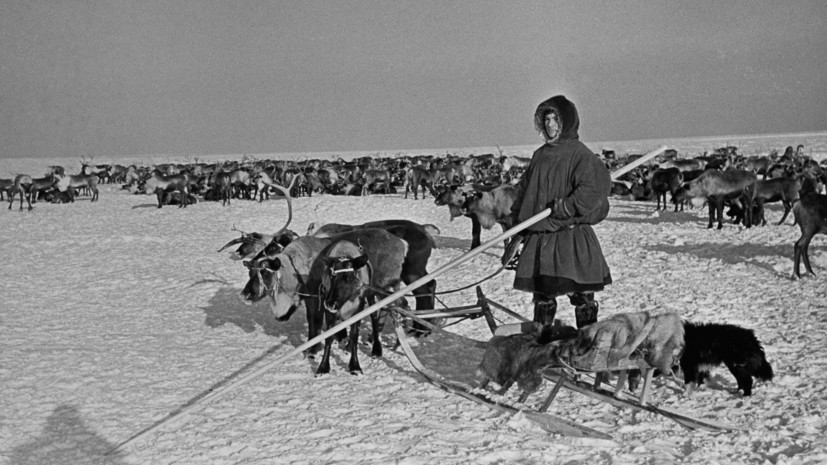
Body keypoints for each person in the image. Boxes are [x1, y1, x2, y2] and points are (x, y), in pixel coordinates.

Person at [509, 95, 612, 328]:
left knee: (581, 294)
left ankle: (586, 346)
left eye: (555, 120)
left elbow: (595, 188)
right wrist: (517, 219)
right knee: (543, 295)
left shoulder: (580, 154)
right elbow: (525, 190)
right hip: (542, 238)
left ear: (567, 122)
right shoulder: (540, 155)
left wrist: (566, 207)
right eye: (546, 120)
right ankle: (541, 344)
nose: (550, 125)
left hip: (571, 237)